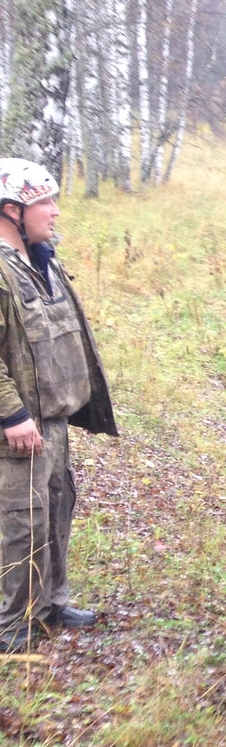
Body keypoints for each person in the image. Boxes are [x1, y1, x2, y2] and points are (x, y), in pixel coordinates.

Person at [0, 159, 117, 655]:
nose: (55, 210)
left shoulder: (39, 259)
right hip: (19, 428)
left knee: (56, 509)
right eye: (43, 202)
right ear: (11, 210)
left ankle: (50, 604)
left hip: (52, 421)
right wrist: (12, 414)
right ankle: (12, 625)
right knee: (21, 521)